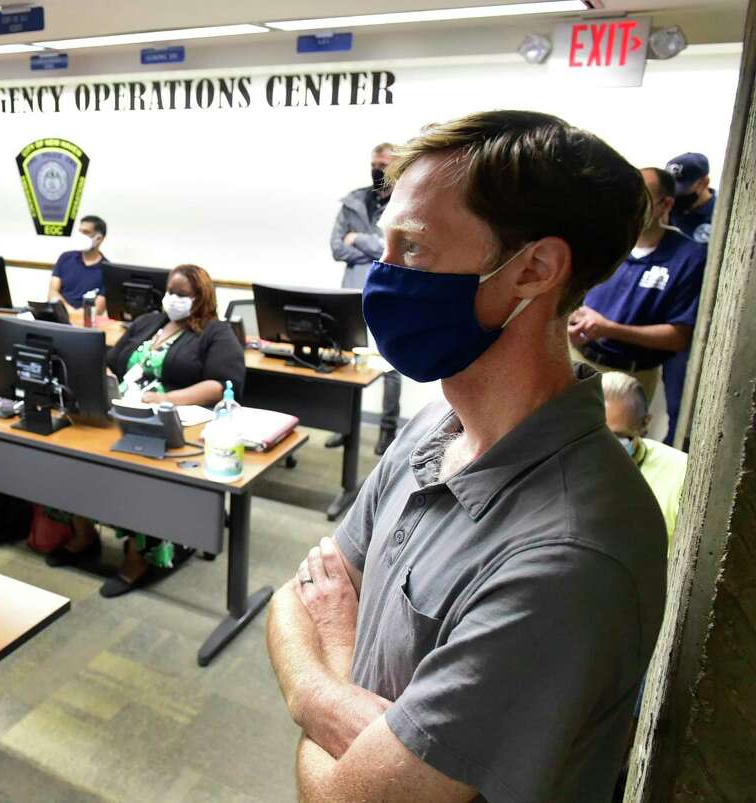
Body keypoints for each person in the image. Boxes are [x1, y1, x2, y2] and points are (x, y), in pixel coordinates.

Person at [267, 110, 666, 802]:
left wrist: (313, 688)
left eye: (413, 249)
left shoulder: (571, 552)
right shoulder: (435, 427)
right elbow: (292, 597)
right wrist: (342, 700)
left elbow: (344, 797)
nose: (382, 274)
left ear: (534, 270)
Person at [47, 264, 245, 597]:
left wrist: (166, 398)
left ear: (201, 297)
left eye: (182, 295)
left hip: (170, 421)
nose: (173, 299)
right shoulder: (148, 322)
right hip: (120, 412)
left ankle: (138, 558)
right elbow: (111, 359)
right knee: (71, 455)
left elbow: (220, 384)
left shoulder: (215, 332)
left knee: (137, 476)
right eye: (170, 292)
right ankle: (84, 535)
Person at [569, 167, 706, 412]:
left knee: (614, 447)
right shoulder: (608, 240)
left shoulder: (687, 258)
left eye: (642, 199)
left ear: (665, 205)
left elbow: (677, 337)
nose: (629, 206)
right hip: (578, 358)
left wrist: (608, 329)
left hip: (631, 376)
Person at [330, 143, 400, 454]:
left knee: (391, 365)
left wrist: (357, 239)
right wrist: (375, 249)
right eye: (374, 164)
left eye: (383, 165)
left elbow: (392, 249)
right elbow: (336, 247)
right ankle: (344, 428)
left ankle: (387, 430)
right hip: (353, 290)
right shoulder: (353, 201)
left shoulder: (405, 202)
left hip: (389, 292)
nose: (377, 170)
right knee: (345, 360)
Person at [661, 152, 716, 445]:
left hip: (701, 323)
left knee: (686, 409)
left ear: (704, 181)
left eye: (684, 188)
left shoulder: (723, 213)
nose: (677, 196)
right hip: (668, 315)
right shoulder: (670, 210)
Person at [602, 371, 687, 546]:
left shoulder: (680, 475)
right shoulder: (556, 471)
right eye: (594, 434)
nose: (601, 446)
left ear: (644, 424)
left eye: (618, 437)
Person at [48, 215, 107, 314]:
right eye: (80, 232)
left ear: (99, 238)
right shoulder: (65, 258)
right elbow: (52, 292)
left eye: (86, 233)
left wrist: (76, 316)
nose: (81, 236)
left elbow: (98, 309)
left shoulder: (106, 270)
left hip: (86, 322)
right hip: (59, 316)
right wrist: (69, 311)